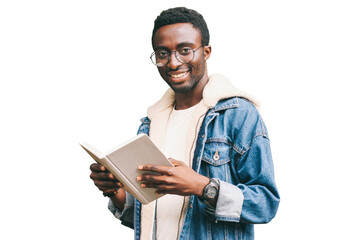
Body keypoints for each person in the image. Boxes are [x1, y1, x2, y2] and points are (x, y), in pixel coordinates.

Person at [89, 7, 280, 240]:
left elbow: (266, 203)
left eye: (185, 50)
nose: (173, 62)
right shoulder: (150, 125)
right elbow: (153, 217)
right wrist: (115, 192)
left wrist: (202, 187)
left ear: (206, 51)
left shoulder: (238, 115)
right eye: (162, 53)